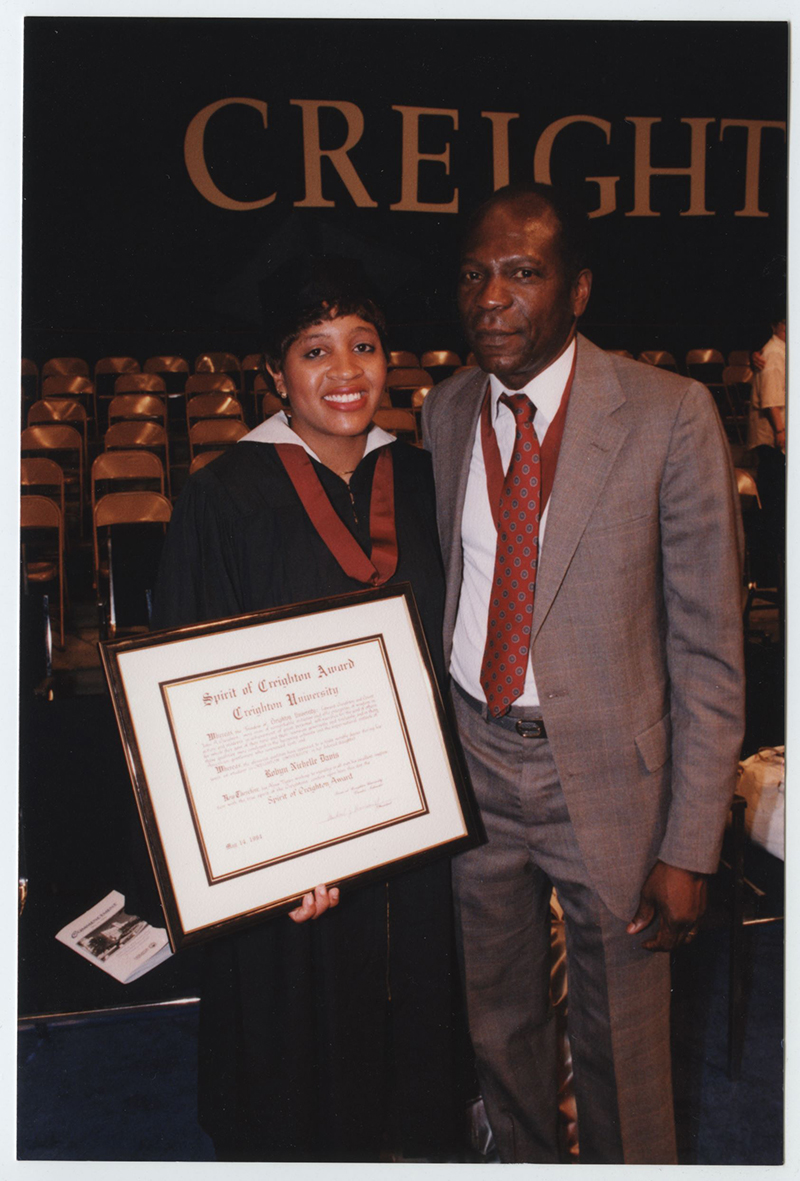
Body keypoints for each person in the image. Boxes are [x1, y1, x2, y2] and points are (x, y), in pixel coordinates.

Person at [422, 182, 745, 1164]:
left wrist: (689, 845)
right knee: (498, 1026)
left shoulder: (667, 414)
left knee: (622, 1049)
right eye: (474, 273)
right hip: (474, 767)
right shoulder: (442, 411)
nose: (490, 298)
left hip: (603, 782)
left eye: (520, 272)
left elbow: (707, 648)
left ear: (577, 289)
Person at [152, 256, 467, 1163]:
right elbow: (195, 700)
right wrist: (266, 855)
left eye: (364, 345)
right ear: (275, 373)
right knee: (300, 1068)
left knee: (415, 1063)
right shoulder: (221, 497)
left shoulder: (425, 479)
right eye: (315, 348)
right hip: (296, 864)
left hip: (414, 839)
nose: (346, 370)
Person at [747, 313, 786, 587]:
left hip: (779, 442)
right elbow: (773, 399)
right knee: (775, 508)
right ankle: (771, 575)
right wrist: (782, 432)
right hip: (775, 443)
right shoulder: (772, 353)